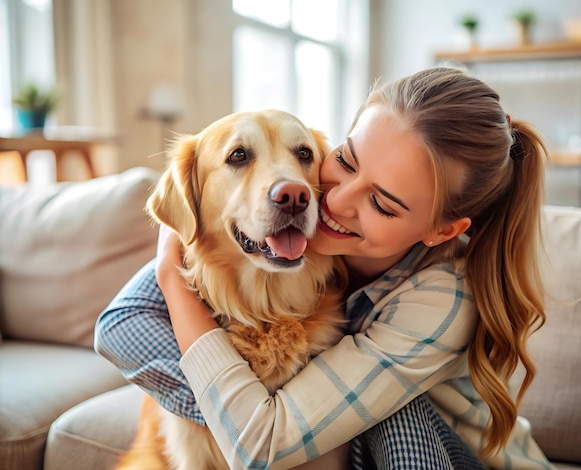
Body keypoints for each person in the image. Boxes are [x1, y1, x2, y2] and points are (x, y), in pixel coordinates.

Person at [95, 67, 554, 469]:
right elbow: (118, 325)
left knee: (396, 411)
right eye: (346, 161)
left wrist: (170, 278)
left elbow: (260, 443)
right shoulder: (294, 234)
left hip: (452, 457)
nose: (330, 200)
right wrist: (172, 257)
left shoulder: (444, 300)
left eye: (380, 203)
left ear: (441, 231)